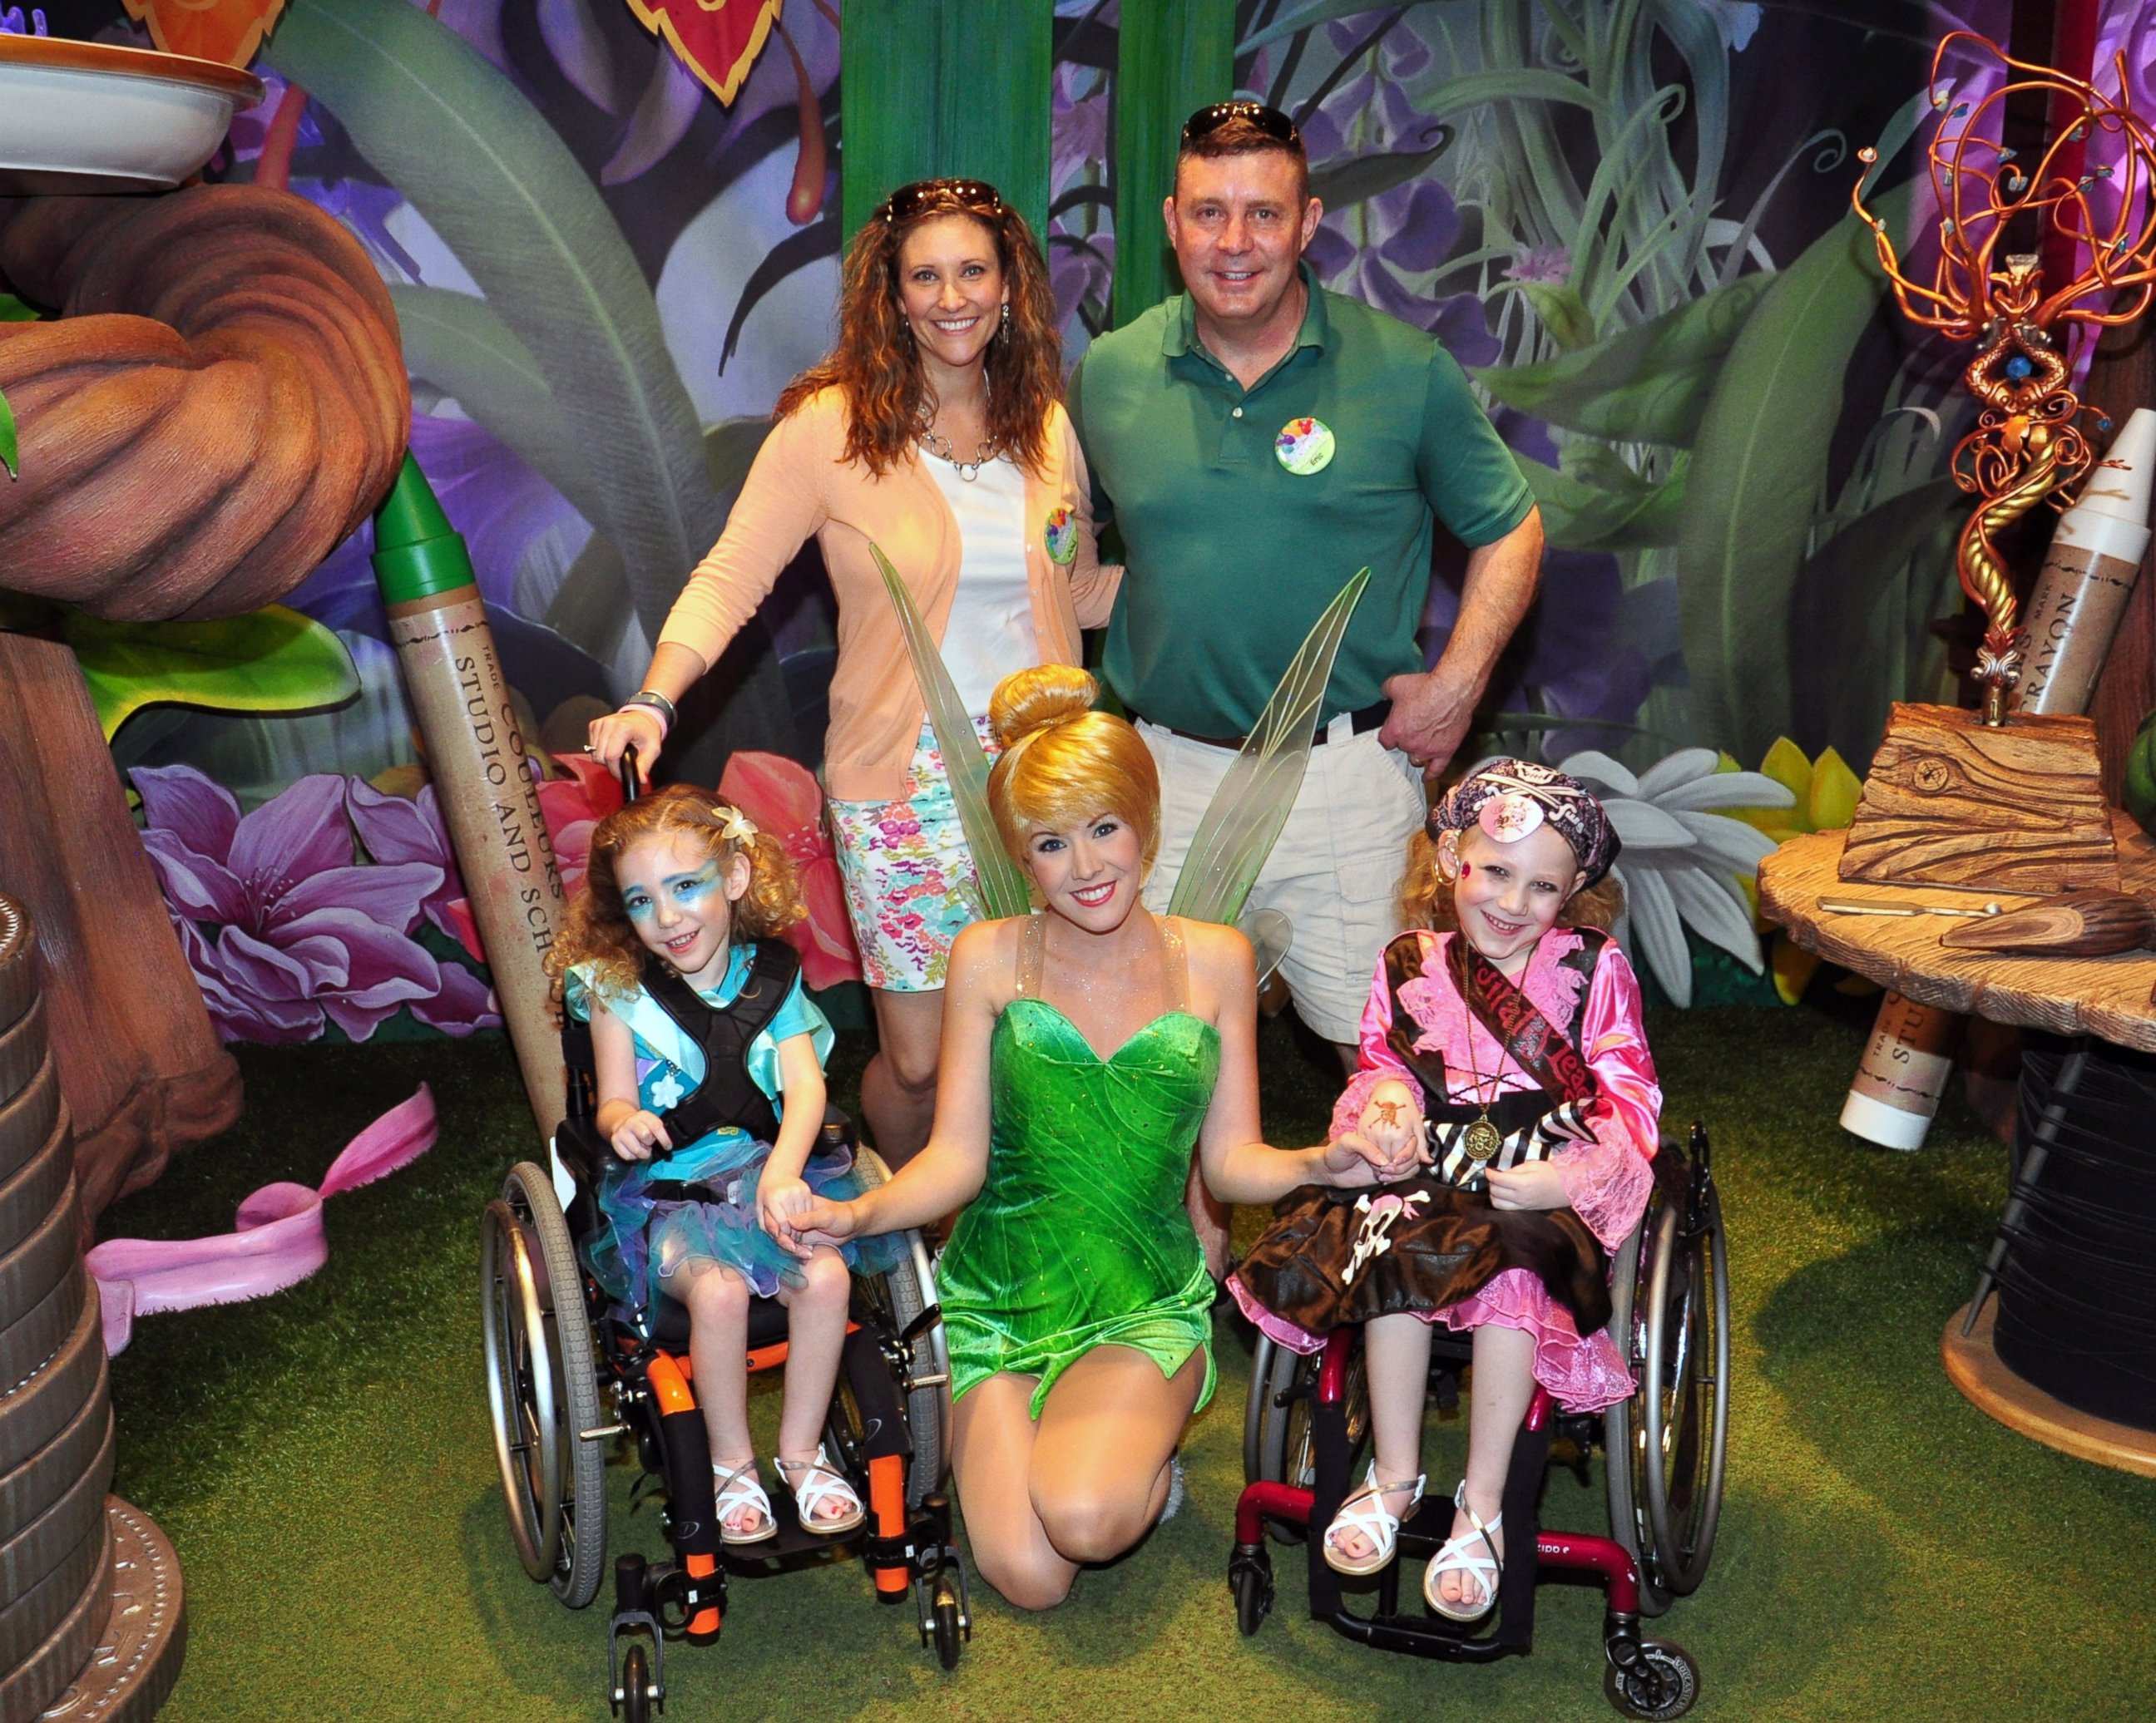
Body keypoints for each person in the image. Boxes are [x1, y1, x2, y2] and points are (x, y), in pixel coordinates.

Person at [786, 666, 1397, 1609]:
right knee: (1029, 1577)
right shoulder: (987, 956)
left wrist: (1322, 1160)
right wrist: (856, 1210)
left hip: (1138, 1299)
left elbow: (1230, 1161)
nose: (1086, 865)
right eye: (1051, 843)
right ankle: (1071, 1433)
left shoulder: (1217, 958)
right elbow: (957, 1156)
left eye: (1104, 827)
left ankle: (1134, 1460)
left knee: (1080, 1518)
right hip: (1000, 1300)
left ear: (1145, 824)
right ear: (1022, 861)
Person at [586, 179, 1116, 1168]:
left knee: (1032, 1037)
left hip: (1041, 781)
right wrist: (655, 695)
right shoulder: (830, 431)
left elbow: (1079, 588)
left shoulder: (1043, 426)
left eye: (973, 271)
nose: (952, 296)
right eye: (927, 275)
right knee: (919, 1062)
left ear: (1010, 290)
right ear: (894, 296)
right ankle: (902, 1195)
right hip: (901, 782)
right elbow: (731, 575)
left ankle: (997, 1230)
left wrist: (1225, 591)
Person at [1066, 100, 1545, 1069]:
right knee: (1152, 1074)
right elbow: (1078, 551)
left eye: (1264, 214)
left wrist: (1458, 684)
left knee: (1400, 1068)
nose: (1234, 243)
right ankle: (1191, 1234)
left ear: (1310, 224)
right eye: (1208, 213)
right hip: (1168, 776)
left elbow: (1513, 528)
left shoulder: (1405, 371)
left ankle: (1406, 1226)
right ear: (1170, 223)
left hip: (1347, 777)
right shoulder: (1113, 374)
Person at [1229, 760, 1661, 1622]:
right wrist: (1384, 1108)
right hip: (1428, 1169)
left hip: (1539, 1181)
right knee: (1391, 1248)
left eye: (1542, 885)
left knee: (1506, 1267)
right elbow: (1385, 1065)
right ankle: (1395, 1478)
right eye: (1496, 871)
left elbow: (1630, 1096)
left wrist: (1565, 1178)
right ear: (1450, 862)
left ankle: (1485, 1504)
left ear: (1573, 892)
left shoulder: (1594, 967)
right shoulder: (1407, 961)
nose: (1512, 901)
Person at [546, 785, 899, 1544]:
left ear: (734, 878)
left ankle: (800, 1454)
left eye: (686, 887)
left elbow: (806, 1089)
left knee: (831, 1276)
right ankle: (730, 1463)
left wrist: (783, 1174)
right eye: (642, 900)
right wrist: (625, 1120)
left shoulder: (773, 978)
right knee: (718, 1293)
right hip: (668, 1194)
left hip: (772, 1171)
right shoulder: (617, 993)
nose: (667, 918)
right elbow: (608, 1104)